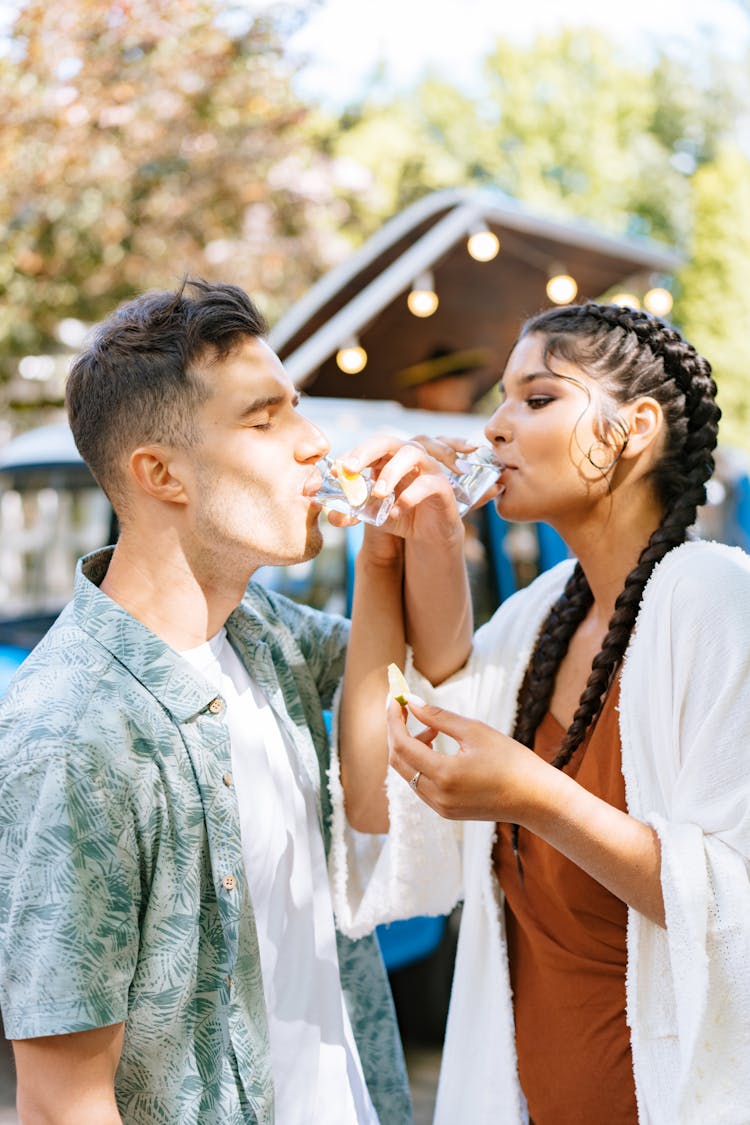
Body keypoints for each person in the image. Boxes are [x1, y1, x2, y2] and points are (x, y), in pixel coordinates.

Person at [0, 278, 471, 1124]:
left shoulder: (258, 628)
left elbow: (427, 678)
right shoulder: (73, 733)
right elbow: (61, 1102)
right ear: (161, 474)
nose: (313, 442)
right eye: (265, 418)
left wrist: (409, 537)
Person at [332, 302, 750, 1124]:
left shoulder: (716, 598)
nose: (494, 428)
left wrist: (535, 796)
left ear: (634, 428)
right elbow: (381, 792)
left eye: (537, 398)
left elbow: (733, 899)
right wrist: (388, 549)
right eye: (499, 398)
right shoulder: (539, 618)